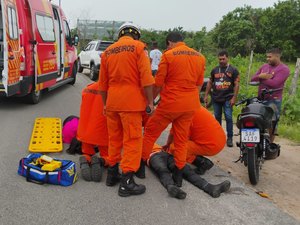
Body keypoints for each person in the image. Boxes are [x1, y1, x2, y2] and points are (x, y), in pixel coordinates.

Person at [140, 32, 206, 187]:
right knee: (181, 140)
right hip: (190, 105)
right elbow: (199, 84)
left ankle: (140, 167)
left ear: (169, 42)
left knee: (150, 133)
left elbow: (159, 83)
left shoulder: (169, 55)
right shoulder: (199, 57)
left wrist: (151, 102)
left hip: (170, 104)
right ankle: (178, 175)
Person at [99, 22, 154, 197]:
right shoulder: (138, 48)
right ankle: (127, 182)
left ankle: (112, 175)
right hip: (131, 104)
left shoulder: (108, 52)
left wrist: (106, 104)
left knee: (114, 139)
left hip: (113, 102)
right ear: (135, 35)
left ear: (120, 35)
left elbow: (102, 84)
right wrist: (151, 103)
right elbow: (147, 79)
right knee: (132, 140)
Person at [148, 144, 231, 199]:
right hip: (152, 156)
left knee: (186, 169)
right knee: (162, 170)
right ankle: (172, 187)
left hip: (166, 154)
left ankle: (210, 188)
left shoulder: (150, 138)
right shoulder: (137, 143)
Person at [164, 107, 226, 175]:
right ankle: (197, 157)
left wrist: (169, 148)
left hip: (212, 145)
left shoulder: (183, 115)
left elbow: (179, 139)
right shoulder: (193, 106)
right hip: (220, 139)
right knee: (177, 146)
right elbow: (173, 133)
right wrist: (167, 145)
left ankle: (202, 162)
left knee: (175, 148)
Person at [250, 48, 290, 143]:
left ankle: (270, 144)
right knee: (257, 120)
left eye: (270, 57)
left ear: (277, 56)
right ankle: (258, 143)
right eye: (267, 56)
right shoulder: (264, 66)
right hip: (260, 99)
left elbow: (275, 84)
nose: (267, 59)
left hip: (273, 100)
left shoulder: (284, 69)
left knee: (272, 123)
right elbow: (252, 79)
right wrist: (261, 76)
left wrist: (262, 78)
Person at [204, 50, 240, 147]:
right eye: (220, 59)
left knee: (228, 117)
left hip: (228, 98)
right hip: (216, 98)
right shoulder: (215, 70)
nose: (221, 61)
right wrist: (206, 95)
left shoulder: (233, 70)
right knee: (217, 118)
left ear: (227, 58)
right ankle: (218, 137)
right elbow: (210, 83)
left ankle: (230, 137)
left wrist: (234, 98)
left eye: (223, 59)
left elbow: (237, 85)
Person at [76, 82, 109, 182]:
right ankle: (101, 161)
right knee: (109, 156)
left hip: (84, 131)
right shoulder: (110, 90)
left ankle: (86, 159)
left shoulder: (87, 88)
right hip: (101, 132)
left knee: (87, 151)